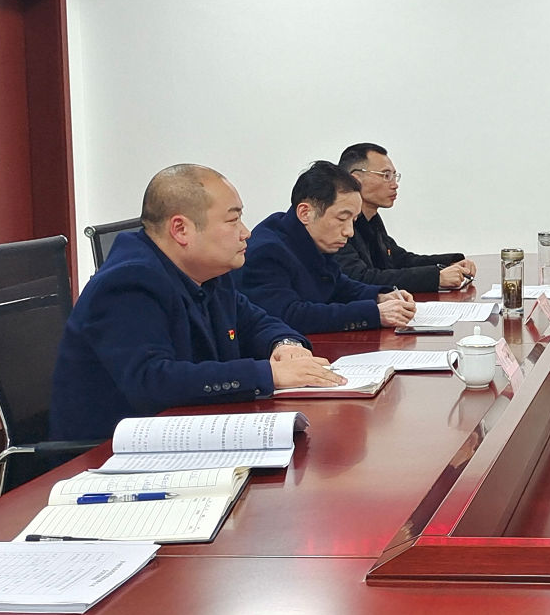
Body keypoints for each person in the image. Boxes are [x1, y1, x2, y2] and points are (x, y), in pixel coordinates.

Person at [50, 164, 342, 442]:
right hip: (111, 452)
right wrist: (269, 374)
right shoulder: (129, 282)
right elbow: (153, 380)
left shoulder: (209, 273)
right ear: (181, 230)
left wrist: (284, 345)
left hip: (185, 430)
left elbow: (254, 322)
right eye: (233, 220)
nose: (246, 233)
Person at [238, 161, 418, 334]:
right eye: (342, 218)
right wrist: (374, 313)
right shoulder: (267, 251)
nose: (349, 232)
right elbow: (290, 315)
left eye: (354, 220)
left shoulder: (310, 238)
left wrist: (380, 296)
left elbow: (338, 284)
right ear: (305, 213)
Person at [334, 142, 475, 292]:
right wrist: (436, 277)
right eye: (386, 176)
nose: (395, 185)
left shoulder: (372, 220)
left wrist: (450, 263)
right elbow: (360, 278)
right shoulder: (338, 225)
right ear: (356, 180)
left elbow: (400, 260)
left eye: (395, 176)